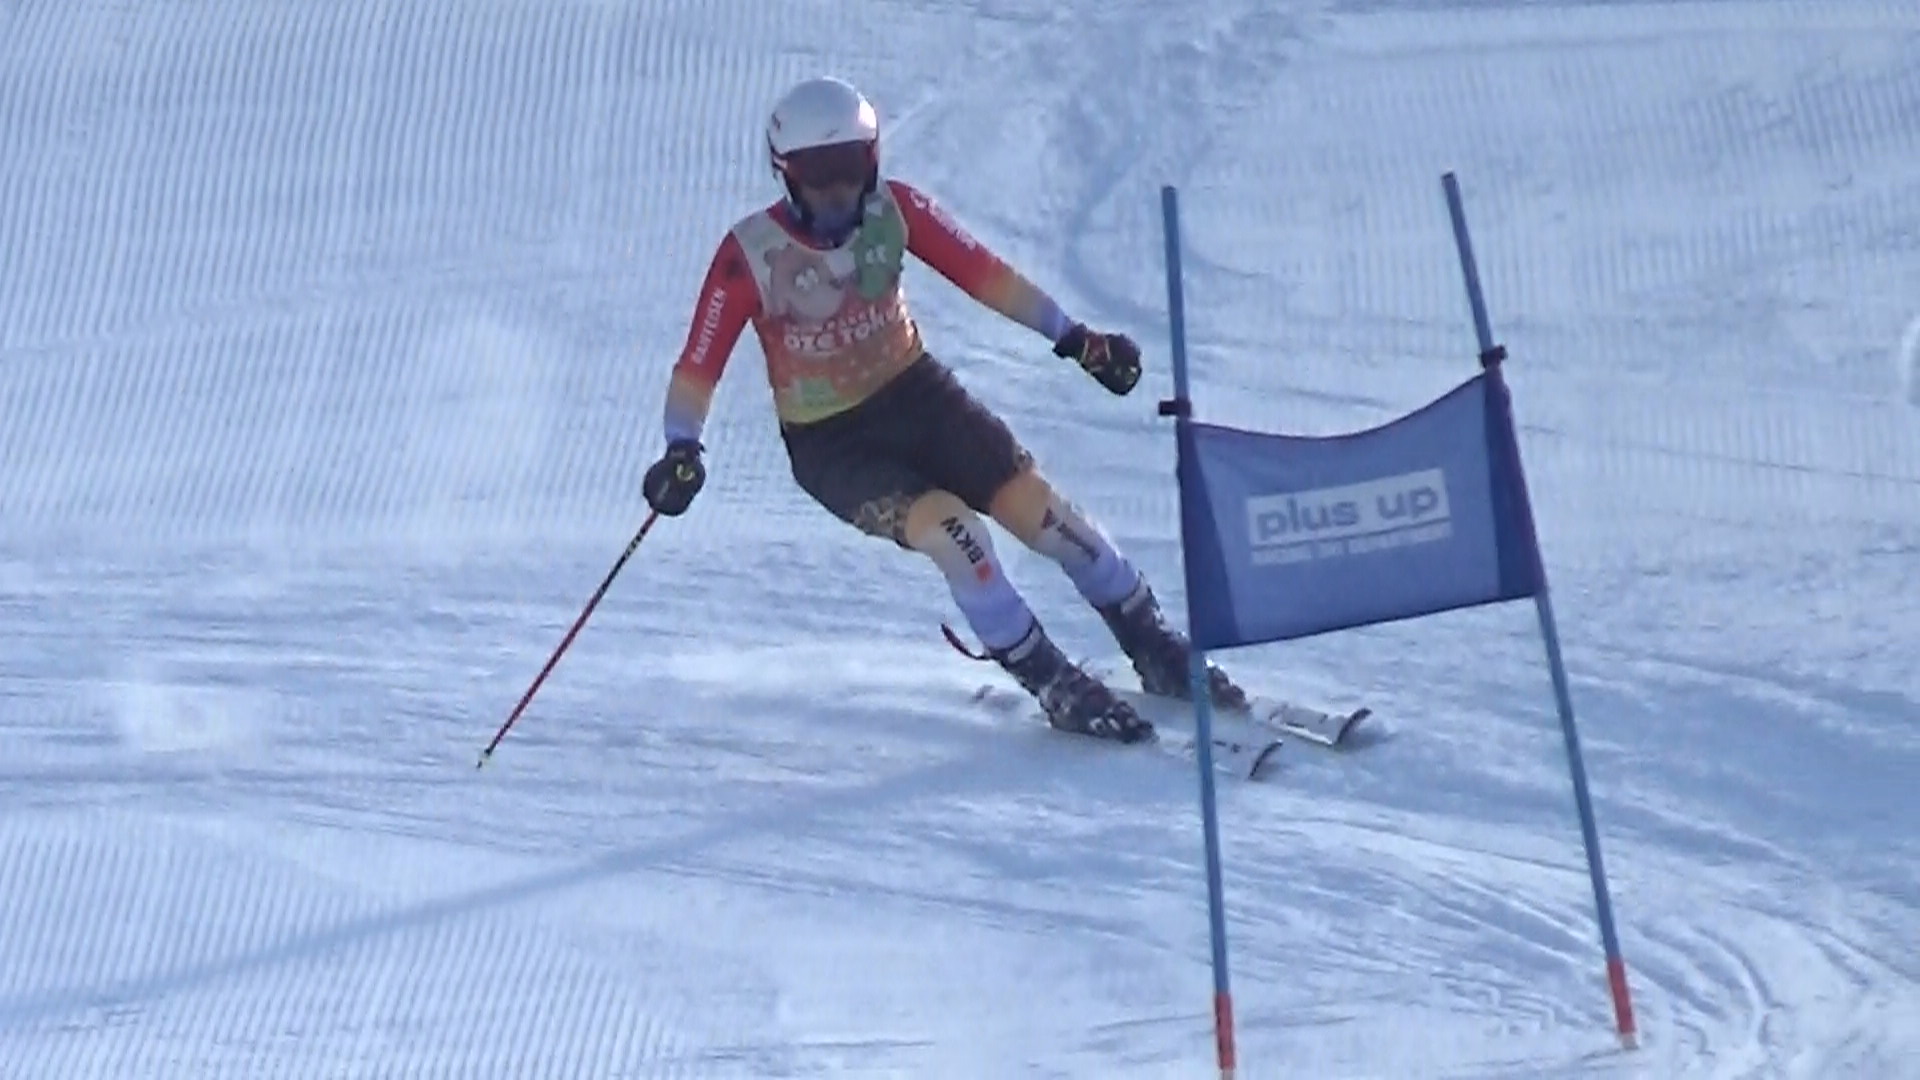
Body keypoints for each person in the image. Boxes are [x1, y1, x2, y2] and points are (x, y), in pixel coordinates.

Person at [642, 75, 1247, 743]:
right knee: (955, 532)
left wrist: (1077, 340)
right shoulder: (750, 255)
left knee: (1045, 515)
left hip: (919, 398)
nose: (837, 196)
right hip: (833, 444)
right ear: (785, 175)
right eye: (817, 180)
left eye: (849, 173)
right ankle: (1050, 678)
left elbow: (985, 274)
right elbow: (698, 365)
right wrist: (682, 447)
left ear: (872, 161)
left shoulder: (895, 211)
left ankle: (1153, 643)